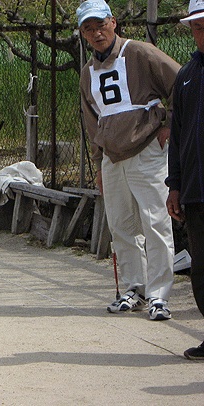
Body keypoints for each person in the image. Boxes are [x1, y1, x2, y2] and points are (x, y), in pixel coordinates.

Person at [77, 0, 180, 320]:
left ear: (113, 22)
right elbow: (91, 120)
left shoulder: (139, 53)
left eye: (100, 25)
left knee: (155, 222)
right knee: (121, 226)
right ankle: (135, 287)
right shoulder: (88, 72)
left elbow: (180, 82)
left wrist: (169, 125)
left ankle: (159, 295)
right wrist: (98, 161)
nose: (96, 33)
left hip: (147, 150)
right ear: (82, 34)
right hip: (112, 157)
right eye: (88, 29)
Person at [166, 0, 204, 360]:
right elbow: (177, 135)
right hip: (195, 189)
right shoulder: (187, 75)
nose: (202, 33)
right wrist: (174, 185)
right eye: (198, 27)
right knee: (201, 268)